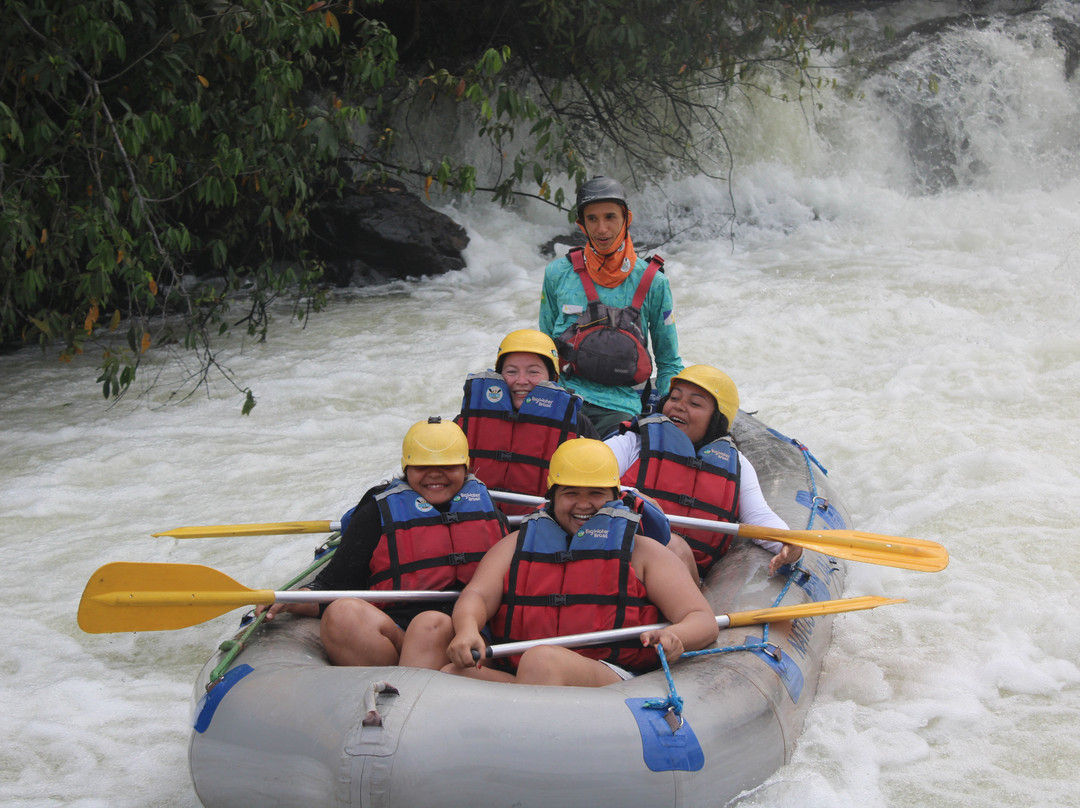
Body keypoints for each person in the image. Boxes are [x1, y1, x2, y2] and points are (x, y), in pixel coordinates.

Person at [444, 439, 718, 687]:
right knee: (451, 675)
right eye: (571, 493)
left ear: (615, 497)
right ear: (553, 498)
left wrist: (675, 635)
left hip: (613, 677)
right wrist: (468, 629)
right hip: (526, 675)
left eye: (596, 494)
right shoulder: (516, 545)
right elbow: (477, 595)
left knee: (541, 661)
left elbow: (702, 619)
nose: (583, 505)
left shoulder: (642, 551)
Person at [257, 417, 508, 670]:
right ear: (406, 468)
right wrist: (289, 600)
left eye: (448, 466)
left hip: (465, 637)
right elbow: (335, 583)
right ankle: (395, 694)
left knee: (429, 625)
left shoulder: (487, 510)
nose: (435, 474)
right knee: (342, 614)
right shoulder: (378, 511)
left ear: (465, 468)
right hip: (396, 635)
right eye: (422, 467)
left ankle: (413, 693)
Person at [605, 364, 802, 578]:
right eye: (674, 398)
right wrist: (632, 495)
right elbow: (586, 479)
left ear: (717, 418)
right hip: (624, 555)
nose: (679, 406)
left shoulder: (737, 465)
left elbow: (759, 516)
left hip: (687, 575)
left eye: (695, 403)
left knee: (676, 548)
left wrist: (789, 543)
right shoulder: (634, 443)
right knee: (674, 546)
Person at [539, 176, 683, 438]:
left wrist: (671, 414)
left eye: (610, 217)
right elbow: (544, 347)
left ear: (626, 218)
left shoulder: (654, 282)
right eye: (592, 219)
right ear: (581, 224)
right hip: (562, 401)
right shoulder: (557, 273)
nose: (601, 229)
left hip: (619, 409)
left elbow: (669, 361)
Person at [455, 328, 599, 517]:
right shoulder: (469, 420)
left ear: (552, 378)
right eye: (511, 372)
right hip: (478, 519)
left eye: (533, 372)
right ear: (498, 377)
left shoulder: (577, 424)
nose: (521, 381)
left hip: (543, 524)